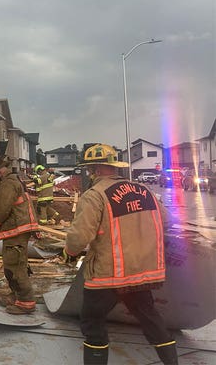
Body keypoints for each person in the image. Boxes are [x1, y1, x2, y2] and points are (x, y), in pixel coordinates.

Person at [64, 144, 177, 365]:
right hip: (141, 273)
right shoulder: (144, 191)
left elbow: (79, 237)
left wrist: (69, 251)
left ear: (94, 169)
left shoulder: (95, 195)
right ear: (115, 166)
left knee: (92, 324)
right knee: (149, 317)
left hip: (109, 274)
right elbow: (166, 220)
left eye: (89, 169)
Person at [0, 155, 40, 315]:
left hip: (16, 230)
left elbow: (2, 208)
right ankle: (16, 295)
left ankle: (26, 302)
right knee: (14, 264)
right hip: (18, 229)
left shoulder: (8, 183)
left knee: (15, 266)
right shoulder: (15, 180)